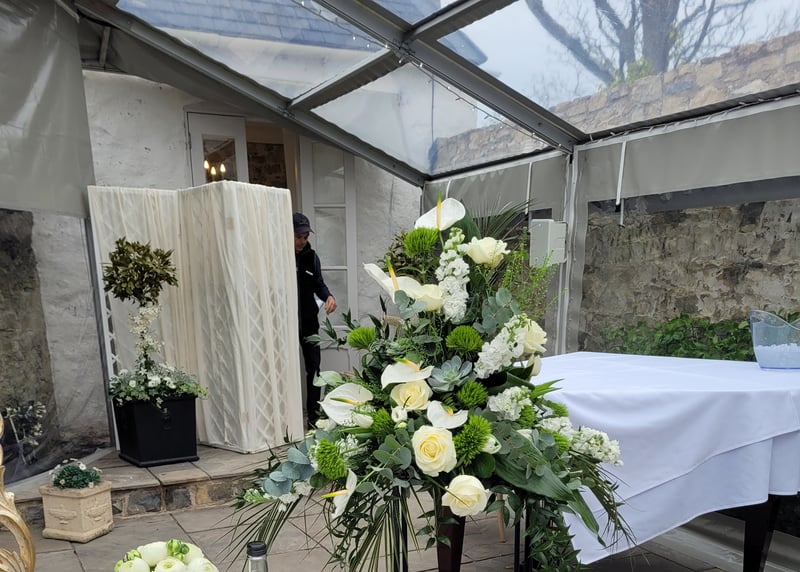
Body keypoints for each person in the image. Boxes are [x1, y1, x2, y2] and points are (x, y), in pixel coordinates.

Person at [293, 212, 336, 425]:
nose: (302, 241)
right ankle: (288, 418)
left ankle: (313, 418)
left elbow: (318, 283)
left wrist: (328, 296)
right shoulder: (280, 257)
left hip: (309, 323)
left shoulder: (312, 257)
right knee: (287, 369)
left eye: (306, 236)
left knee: (314, 369)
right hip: (287, 324)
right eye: (298, 236)